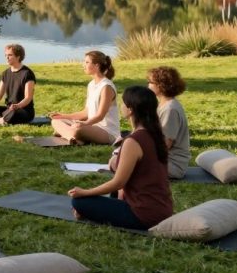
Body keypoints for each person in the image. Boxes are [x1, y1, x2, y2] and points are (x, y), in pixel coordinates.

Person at [68, 86, 173, 230]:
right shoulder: (156, 135)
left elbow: (118, 182)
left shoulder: (134, 140)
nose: (121, 106)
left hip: (143, 215)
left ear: (130, 110)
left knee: (79, 202)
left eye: (123, 103)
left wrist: (84, 192)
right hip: (163, 209)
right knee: (107, 196)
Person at [50, 50, 120, 144]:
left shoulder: (106, 87)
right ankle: (73, 137)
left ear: (97, 65)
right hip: (91, 126)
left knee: (77, 130)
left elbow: (100, 116)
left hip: (106, 131)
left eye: (87, 62)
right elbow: (85, 113)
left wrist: (84, 124)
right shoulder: (91, 85)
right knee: (55, 121)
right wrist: (62, 116)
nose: (83, 65)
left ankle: (70, 136)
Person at [147, 66, 190, 179]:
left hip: (172, 165)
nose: (148, 85)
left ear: (161, 85)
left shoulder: (170, 109)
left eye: (150, 82)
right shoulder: (163, 105)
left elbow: (165, 144)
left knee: (121, 162)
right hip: (164, 160)